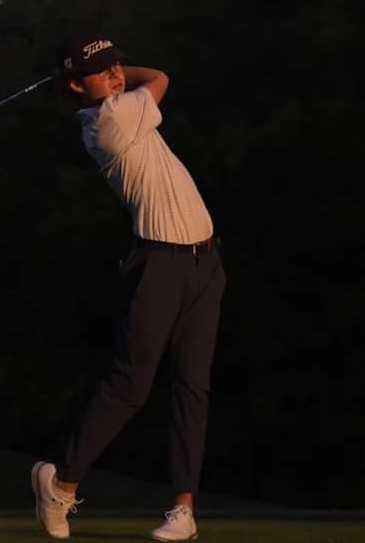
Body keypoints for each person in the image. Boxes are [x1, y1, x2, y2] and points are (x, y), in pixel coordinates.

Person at [30, 29, 226, 541]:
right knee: (130, 386)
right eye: (103, 71)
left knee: (193, 388)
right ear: (77, 87)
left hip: (205, 263)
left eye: (118, 65)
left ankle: (183, 510)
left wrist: (99, 68)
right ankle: (62, 484)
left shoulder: (122, 103)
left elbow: (144, 79)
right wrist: (110, 78)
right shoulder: (112, 122)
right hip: (158, 264)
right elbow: (160, 77)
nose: (117, 74)